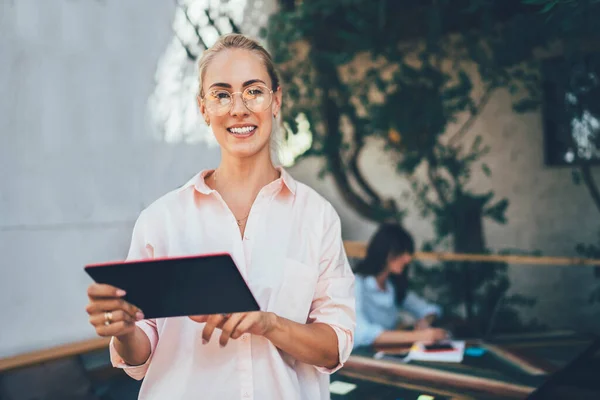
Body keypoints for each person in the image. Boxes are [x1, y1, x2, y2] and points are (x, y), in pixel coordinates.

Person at [85, 33, 355, 400]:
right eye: (222, 94)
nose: (238, 108)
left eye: (253, 91)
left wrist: (269, 324)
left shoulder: (317, 217)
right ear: (203, 109)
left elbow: (334, 346)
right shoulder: (161, 220)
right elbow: (139, 355)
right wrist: (123, 330)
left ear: (276, 100)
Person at [353, 222, 447, 349]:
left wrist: (426, 321)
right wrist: (419, 336)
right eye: (402, 252)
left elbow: (430, 309)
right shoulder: (356, 284)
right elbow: (360, 333)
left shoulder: (393, 286)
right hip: (359, 359)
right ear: (384, 251)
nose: (408, 259)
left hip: (388, 356)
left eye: (409, 253)